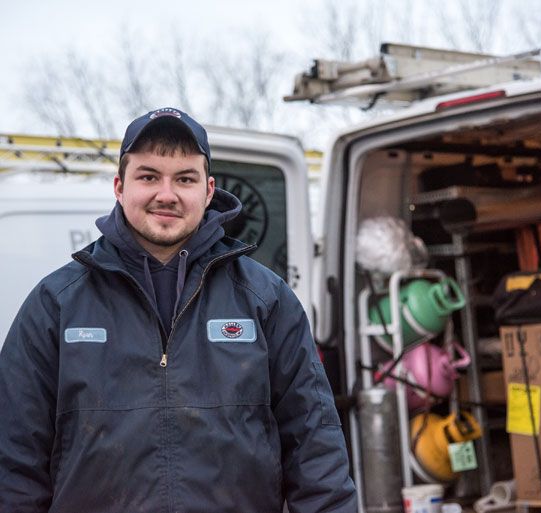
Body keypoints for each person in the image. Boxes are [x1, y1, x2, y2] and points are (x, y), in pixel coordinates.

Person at [0, 107, 357, 512]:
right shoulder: (56, 304)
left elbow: (316, 447)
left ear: (208, 190)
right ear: (120, 186)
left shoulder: (265, 300)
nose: (166, 194)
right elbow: (14, 462)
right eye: (148, 176)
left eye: (184, 178)